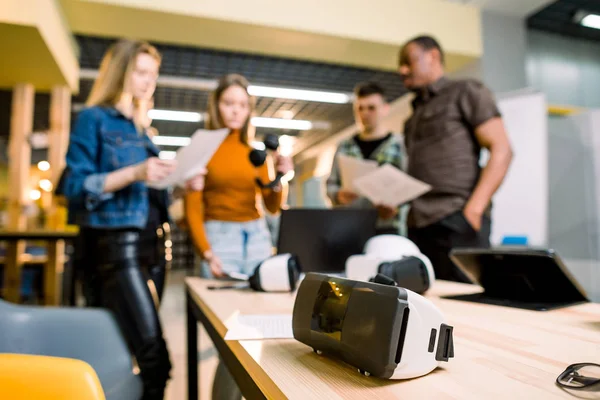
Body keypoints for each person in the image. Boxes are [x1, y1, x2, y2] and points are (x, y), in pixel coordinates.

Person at [60, 39, 204, 400]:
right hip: (115, 250)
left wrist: (180, 186)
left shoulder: (142, 131)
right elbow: (74, 186)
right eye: (141, 72)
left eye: (153, 75)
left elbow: (150, 197)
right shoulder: (94, 119)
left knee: (131, 353)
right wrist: (135, 171)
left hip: (152, 248)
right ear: (120, 72)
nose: (148, 82)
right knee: (155, 359)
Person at [398, 35, 513, 282]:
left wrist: (474, 209)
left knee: (467, 307)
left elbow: (501, 149)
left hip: (457, 219)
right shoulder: (412, 118)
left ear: (433, 56)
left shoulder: (466, 91)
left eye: (409, 61)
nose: (402, 69)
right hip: (418, 224)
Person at [184, 73, 294, 279]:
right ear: (216, 106)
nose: (236, 110)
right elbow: (192, 209)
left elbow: (272, 206)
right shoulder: (202, 149)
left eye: (243, 105)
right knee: (221, 305)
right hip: (219, 236)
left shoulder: (255, 154)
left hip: (257, 236)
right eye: (229, 103)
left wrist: (281, 178)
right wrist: (206, 252)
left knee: (259, 302)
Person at [326, 81, 407, 236]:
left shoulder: (399, 145)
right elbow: (331, 185)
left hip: (388, 227)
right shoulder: (344, 146)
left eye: (371, 108)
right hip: (351, 227)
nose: (365, 113)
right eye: (360, 108)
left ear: (385, 109)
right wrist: (338, 196)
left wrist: (395, 206)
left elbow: (407, 187)